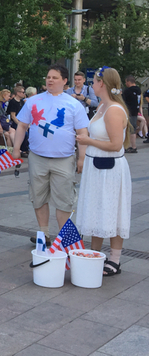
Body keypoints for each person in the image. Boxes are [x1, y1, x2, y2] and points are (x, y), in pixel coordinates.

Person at [12, 65, 89, 244]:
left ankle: (63, 237)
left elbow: (82, 132)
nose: (50, 80)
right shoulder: (33, 101)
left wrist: (82, 158)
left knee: (64, 200)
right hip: (37, 157)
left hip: (64, 159)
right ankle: (43, 233)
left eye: (55, 77)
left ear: (64, 81)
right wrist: (16, 150)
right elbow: (22, 126)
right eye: (48, 77)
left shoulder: (73, 104)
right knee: (38, 196)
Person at [75, 67, 131, 277]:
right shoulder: (101, 107)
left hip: (110, 168)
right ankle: (94, 254)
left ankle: (114, 259)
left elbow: (116, 144)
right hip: (95, 166)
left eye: (95, 81)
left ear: (102, 84)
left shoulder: (114, 110)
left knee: (112, 211)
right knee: (95, 210)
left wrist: (88, 141)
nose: (92, 84)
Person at [122, 75, 141, 153]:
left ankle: (132, 146)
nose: (126, 84)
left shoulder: (127, 91)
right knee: (132, 128)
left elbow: (123, 101)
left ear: (129, 82)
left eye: (126, 82)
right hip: (135, 111)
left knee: (130, 129)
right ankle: (132, 146)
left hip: (128, 111)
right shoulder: (138, 90)